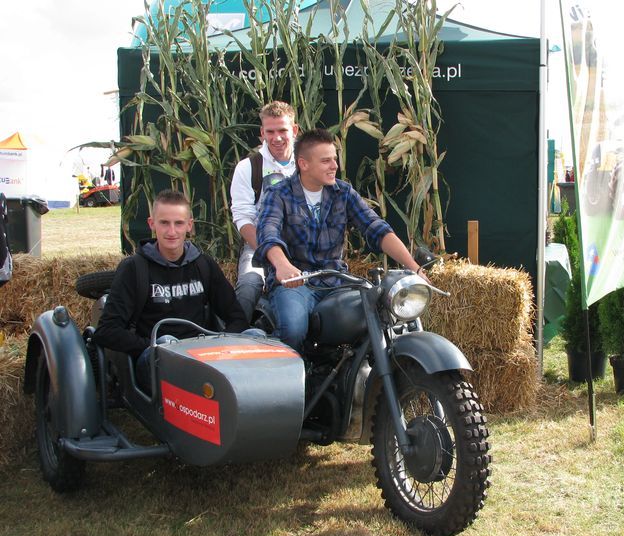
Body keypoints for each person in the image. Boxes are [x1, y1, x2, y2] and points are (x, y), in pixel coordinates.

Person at [255, 128, 427, 351]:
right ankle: (292, 381)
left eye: (334, 159)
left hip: (336, 281)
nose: (334, 165)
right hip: (295, 284)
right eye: (326, 161)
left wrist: (414, 267)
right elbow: (268, 233)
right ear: (304, 164)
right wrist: (282, 265)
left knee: (380, 315)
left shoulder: (343, 193)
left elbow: (376, 228)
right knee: (294, 329)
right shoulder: (278, 195)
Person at [93, 190, 249, 391]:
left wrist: (221, 346)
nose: (172, 231)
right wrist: (154, 346)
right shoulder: (134, 268)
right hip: (155, 359)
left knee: (255, 334)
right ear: (152, 224)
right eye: (164, 223)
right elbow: (107, 331)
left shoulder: (203, 264)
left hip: (201, 357)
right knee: (167, 344)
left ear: (189, 226)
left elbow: (237, 317)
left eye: (179, 223)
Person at [230, 101, 299, 323]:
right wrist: (270, 254)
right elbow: (243, 218)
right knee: (249, 286)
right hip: (258, 245)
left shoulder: (308, 162)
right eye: (270, 131)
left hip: (304, 246)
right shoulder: (248, 167)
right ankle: (236, 336)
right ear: (262, 133)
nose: (276, 138)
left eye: (282, 130)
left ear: (294, 130)